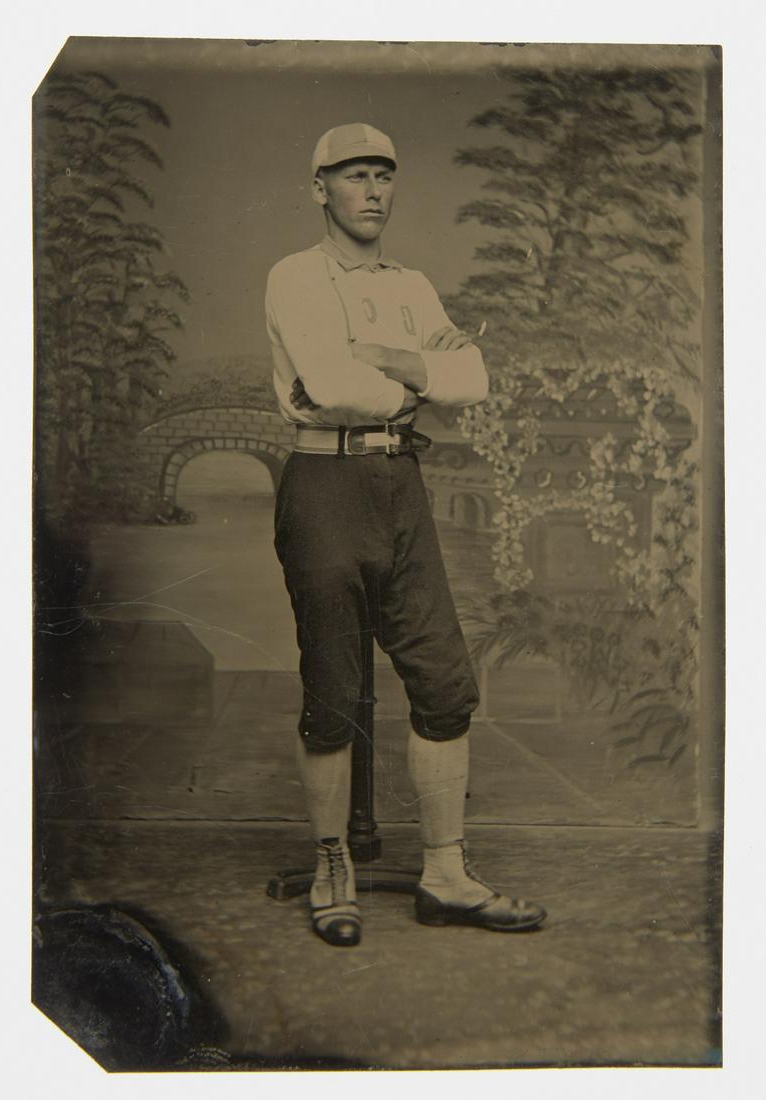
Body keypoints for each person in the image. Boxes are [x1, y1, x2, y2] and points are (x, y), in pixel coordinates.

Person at [265, 123, 546, 946]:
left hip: (402, 486)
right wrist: (418, 373)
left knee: (445, 682)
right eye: (355, 176)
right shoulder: (295, 275)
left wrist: (385, 357)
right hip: (324, 485)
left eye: (384, 175)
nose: (374, 191)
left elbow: (474, 379)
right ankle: (332, 868)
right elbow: (328, 385)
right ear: (321, 189)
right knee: (332, 693)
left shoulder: (414, 284)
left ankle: (446, 875)